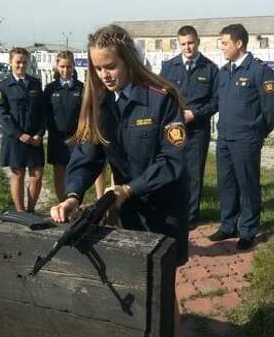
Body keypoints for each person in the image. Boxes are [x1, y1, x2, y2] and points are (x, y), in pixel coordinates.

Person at [49, 24, 189, 268]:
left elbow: (171, 161)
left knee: (163, 285)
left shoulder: (161, 99)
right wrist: (72, 195)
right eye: (98, 68)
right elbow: (88, 156)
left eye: (111, 66)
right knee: (135, 276)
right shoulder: (100, 104)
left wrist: (129, 189)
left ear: (128, 61)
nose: (104, 75)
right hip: (129, 210)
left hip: (164, 207)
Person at [208, 23, 274, 250]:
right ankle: (229, 224)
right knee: (226, 183)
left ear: (239, 43)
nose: (222, 47)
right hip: (225, 138)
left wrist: (257, 133)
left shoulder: (259, 70)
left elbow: (271, 109)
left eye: (225, 43)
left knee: (247, 184)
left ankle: (248, 230)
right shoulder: (224, 72)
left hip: (246, 139)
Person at [160, 25, 218, 229]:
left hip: (197, 129)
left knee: (193, 174)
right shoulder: (168, 67)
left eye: (191, 43)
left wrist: (196, 113)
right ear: (179, 44)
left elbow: (215, 101)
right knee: (171, 169)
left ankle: (190, 218)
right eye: (183, 44)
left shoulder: (210, 69)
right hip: (172, 128)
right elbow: (161, 96)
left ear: (198, 42)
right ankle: (172, 211)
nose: (187, 47)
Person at [0, 47, 45, 212]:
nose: (21, 65)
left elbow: (42, 112)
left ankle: (31, 210)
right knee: (18, 175)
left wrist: (39, 134)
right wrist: (19, 134)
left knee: (37, 176)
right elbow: (3, 116)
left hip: (34, 139)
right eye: (18, 62)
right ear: (10, 63)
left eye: (24, 62)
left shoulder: (35, 83)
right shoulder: (2, 87)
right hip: (15, 139)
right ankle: (20, 211)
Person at [43, 51, 84, 201]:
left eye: (69, 66)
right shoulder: (50, 89)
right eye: (62, 66)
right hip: (57, 138)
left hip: (76, 137)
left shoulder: (81, 88)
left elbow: (84, 115)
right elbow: (45, 113)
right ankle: (62, 202)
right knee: (59, 172)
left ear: (73, 67)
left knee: (75, 172)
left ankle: (73, 204)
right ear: (57, 66)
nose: (65, 70)